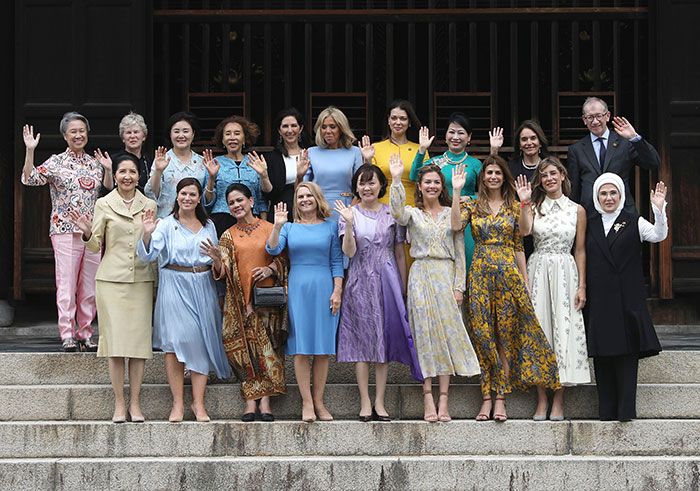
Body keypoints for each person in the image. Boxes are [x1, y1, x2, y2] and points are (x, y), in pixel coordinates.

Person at [452, 156, 560, 422]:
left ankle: (500, 397)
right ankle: (485, 396)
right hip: (479, 274)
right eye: (488, 172)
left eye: (497, 173)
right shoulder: (472, 205)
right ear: (483, 177)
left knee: (504, 336)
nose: (492, 176)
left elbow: (522, 237)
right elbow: (455, 225)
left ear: (504, 177)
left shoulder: (514, 205)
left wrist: (524, 281)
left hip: (508, 275)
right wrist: (456, 191)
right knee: (482, 334)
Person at [390, 157, 480, 422]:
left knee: (447, 337)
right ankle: (427, 395)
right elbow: (396, 213)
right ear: (419, 185)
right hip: (420, 274)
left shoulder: (454, 210)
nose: (431, 186)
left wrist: (458, 287)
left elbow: (457, 239)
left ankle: (444, 400)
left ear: (442, 186)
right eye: (427, 182)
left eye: (436, 182)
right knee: (424, 336)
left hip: (445, 273)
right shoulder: (413, 213)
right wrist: (396, 179)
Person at [69, 153, 155, 423]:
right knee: (116, 345)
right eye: (122, 172)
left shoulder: (149, 203)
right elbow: (95, 245)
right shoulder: (104, 203)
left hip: (141, 280)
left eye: (132, 171)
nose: (127, 176)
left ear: (139, 175)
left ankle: (136, 403)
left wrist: (150, 234)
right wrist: (85, 233)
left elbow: (153, 247)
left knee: (138, 346)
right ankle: (119, 403)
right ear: (114, 176)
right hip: (111, 280)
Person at [137, 177, 231, 423]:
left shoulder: (208, 225)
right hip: (174, 283)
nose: (187, 198)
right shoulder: (166, 224)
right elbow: (148, 256)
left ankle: (198, 403)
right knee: (175, 341)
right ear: (176, 196)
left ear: (199, 198)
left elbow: (218, 265)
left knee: (200, 342)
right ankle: (177, 403)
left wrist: (218, 258)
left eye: (192, 194)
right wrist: (146, 235)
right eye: (183, 194)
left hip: (203, 285)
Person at [335, 164, 423, 422]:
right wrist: (349, 225)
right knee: (362, 340)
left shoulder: (391, 213)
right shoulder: (348, 213)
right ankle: (364, 401)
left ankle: (380, 402)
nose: (367, 188)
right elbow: (348, 253)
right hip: (359, 278)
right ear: (356, 188)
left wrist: (403, 288)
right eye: (362, 183)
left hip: (387, 276)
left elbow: (398, 252)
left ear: (380, 185)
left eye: (371, 182)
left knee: (383, 338)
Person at [20, 112, 113, 351]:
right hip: (63, 229)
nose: (78, 135)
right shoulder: (55, 161)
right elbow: (29, 179)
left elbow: (108, 190)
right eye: (73, 131)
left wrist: (109, 170)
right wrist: (30, 150)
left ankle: (85, 333)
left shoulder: (95, 162)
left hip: (91, 231)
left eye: (82, 130)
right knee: (67, 284)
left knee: (89, 285)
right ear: (65, 135)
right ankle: (67, 333)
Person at [585, 173, 667, 421]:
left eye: (613, 193)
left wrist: (659, 211)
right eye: (603, 193)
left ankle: (625, 412)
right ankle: (606, 412)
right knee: (602, 355)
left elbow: (658, 235)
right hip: (599, 298)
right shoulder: (589, 223)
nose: (608, 198)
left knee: (626, 355)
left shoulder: (633, 221)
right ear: (596, 197)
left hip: (627, 298)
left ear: (621, 195)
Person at [202, 183, 288, 422]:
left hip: (268, 299)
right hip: (240, 303)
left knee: (270, 348)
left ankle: (267, 399)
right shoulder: (228, 235)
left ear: (251, 201)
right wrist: (218, 260)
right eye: (231, 203)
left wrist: (270, 269)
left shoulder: (271, 228)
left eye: (240, 200)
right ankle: (250, 399)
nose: (236, 205)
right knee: (245, 351)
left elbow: (284, 259)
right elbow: (223, 271)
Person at [516, 157, 590, 421]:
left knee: (563, 331)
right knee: (540, 332)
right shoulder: (534, 206)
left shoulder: (577, 210)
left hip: (566, 272)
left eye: (552, 174)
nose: (548, 178)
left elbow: (580, 250)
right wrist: (524, 202)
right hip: (538, 269)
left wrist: (582, 284)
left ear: (562, 176)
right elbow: (524, 233)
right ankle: (541, 399)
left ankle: (559, 399)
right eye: (543, 175)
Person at [266, 182, 344, 423]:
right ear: (295, 202)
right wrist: (277, 226)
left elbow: (337, 262)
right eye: (300, 196)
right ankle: (307, 402)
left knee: (322, 350)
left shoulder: (331, 227)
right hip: (299, 287)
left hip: (324, 287)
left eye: (309, 195)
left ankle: (319, 401)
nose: (305, 200)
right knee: (301, 349)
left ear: (317, 198)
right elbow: (272, 248)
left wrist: (338, 291)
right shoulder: (289, 227)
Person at [409, 113, 482, 272]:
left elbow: (489, 193)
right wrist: (421, 150)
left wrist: (471, 197)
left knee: (467, 265)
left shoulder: (475, 164)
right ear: (446, 135)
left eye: (461, 133)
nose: (455, 136)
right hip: (439, 220)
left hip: (466, 222)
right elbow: (414, 176)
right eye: (452, 132)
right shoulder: (435, 162)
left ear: (469, 137)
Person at [567, 97, 660, 214]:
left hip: (622, 211)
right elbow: (574, 188)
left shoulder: (625, 142)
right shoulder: (576, 149)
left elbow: (652, 162)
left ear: (607, 116)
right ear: (584, 120)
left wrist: (634, 137)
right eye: (590, 117)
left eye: (598, 116)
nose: (595, 121)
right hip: (590, 213)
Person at [489, 120, 551, 258]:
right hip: (517, 228)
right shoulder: (511, 167)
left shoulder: (549, 165)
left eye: (533, 138)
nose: (529, 142)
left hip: (545, 227)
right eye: (524, 139)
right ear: (520, 145)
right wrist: (494, 150)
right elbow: (492, 181)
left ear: (540, 141)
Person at [203, 116, 272, 236]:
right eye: (228, 134)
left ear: (244, 138)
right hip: (221, 220)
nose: (232, 137)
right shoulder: (214, 163)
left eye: (237, 133)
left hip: (251, 220)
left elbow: (261, 199)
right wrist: (211, 178)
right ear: (223, 140)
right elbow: (207, 201)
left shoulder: (254, 162)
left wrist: (263, 224)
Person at [305, 106, 363, 221]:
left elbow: (361, 185)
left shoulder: (355, 152)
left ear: (341, 129)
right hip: (318, 209)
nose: (328, 131)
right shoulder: (311, 152)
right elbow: (304, 187)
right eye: (324, 127)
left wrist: (351, 209)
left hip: (348, 208)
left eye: (333, 127)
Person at [144, 111, 206, 218]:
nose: (181, 135)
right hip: (166, 220)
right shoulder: (162, 159)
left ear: (193, 133)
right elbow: (152, 193)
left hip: (195, 220)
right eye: (176, 131)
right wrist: (158, 171)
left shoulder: (202, 162)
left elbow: (207, 198)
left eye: (185, 131)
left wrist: (212, 177)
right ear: (170, 134)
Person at [264, 107, 311, 222]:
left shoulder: (311, 153)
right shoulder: (271, 158)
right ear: (279, 131)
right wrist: (263, 175)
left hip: (309, 209)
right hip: (282, 210)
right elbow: (269, 194)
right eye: (285, 126)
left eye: (294, 126)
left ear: (301, 128)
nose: (290, 130)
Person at [111, 112, 151, 191]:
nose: (132, 136)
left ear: (144, 137)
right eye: (128, 132)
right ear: (123, 138)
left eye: (136, 132)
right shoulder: (114, 160)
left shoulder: (149, 160)